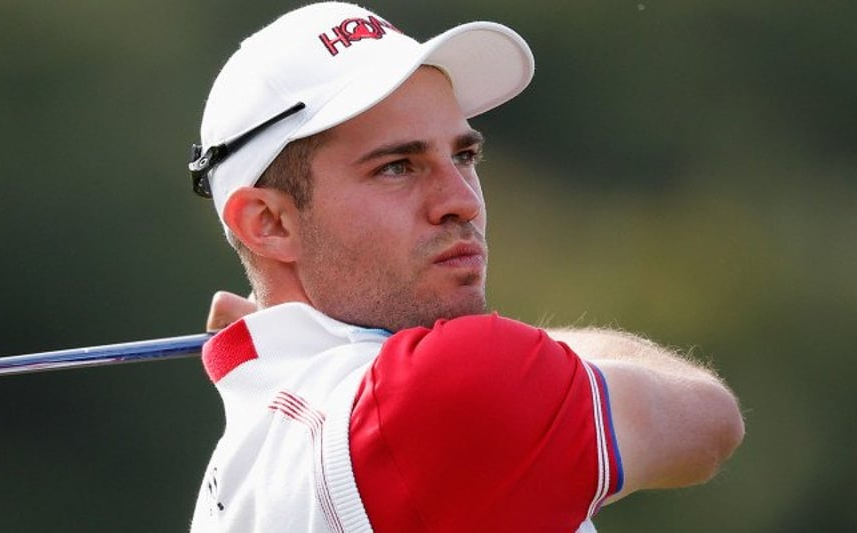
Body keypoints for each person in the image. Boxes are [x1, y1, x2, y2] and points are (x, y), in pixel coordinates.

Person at [184, 3, 744, 532]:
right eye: (397, 167)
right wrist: (514, 359)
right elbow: (709, 419)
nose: (463, 201)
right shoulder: (449, 391)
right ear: (269, 223)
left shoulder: (252, 454)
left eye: (463, 156)